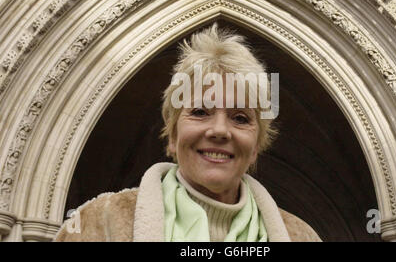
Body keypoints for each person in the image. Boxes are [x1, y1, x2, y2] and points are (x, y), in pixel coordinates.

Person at [54, 24, 321, 242]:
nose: (219, 130)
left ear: (255, 148)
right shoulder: (99, 223)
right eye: (200, 112)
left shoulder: (302, 237)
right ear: (172, 135)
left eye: (240, 118)